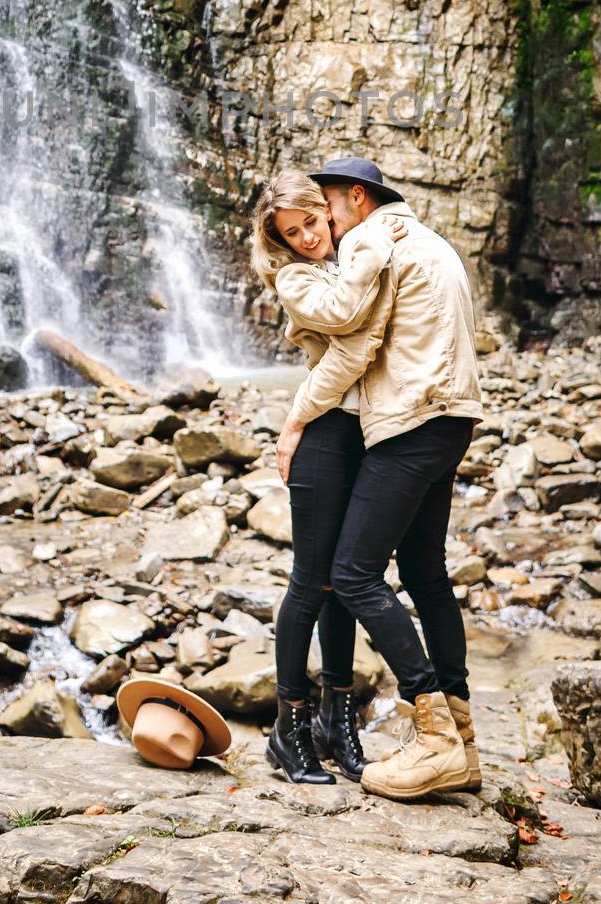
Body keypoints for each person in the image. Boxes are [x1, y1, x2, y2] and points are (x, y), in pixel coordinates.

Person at [273, 155, 484, 802]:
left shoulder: (370, 240)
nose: (323, 224)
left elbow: (357, 342)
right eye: (299, 225)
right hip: (452, 416)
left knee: (354, 574)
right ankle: (464, 739)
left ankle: (435, 737)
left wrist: (293, 419)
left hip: (408, 421)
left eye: (325, 208)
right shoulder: (429, 240)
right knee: (423, 573)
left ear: (355, 199)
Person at [251, 167, 406, 783]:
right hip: (321, 438)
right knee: (310, 582)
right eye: (293, 232)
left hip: (365, 433)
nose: (307, 238)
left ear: (328, 210)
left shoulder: (352, 251)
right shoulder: (296, 278)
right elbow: (348, 324)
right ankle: (288, 730)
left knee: (347, 582)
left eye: (312, 222)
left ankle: (335, 721)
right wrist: (292, 424)